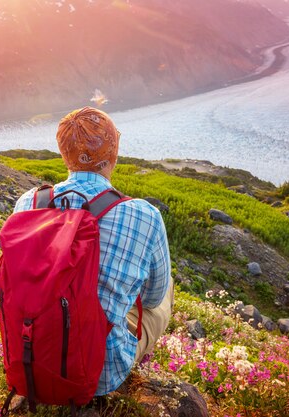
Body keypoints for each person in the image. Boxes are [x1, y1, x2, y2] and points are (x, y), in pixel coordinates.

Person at [13, 106, 173, 398]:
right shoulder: (144, 215)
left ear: (63, 154)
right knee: (164, 292)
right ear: (113, 153)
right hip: (100, 373)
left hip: (31, 358)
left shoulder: (28, 203)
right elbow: (151, 298)